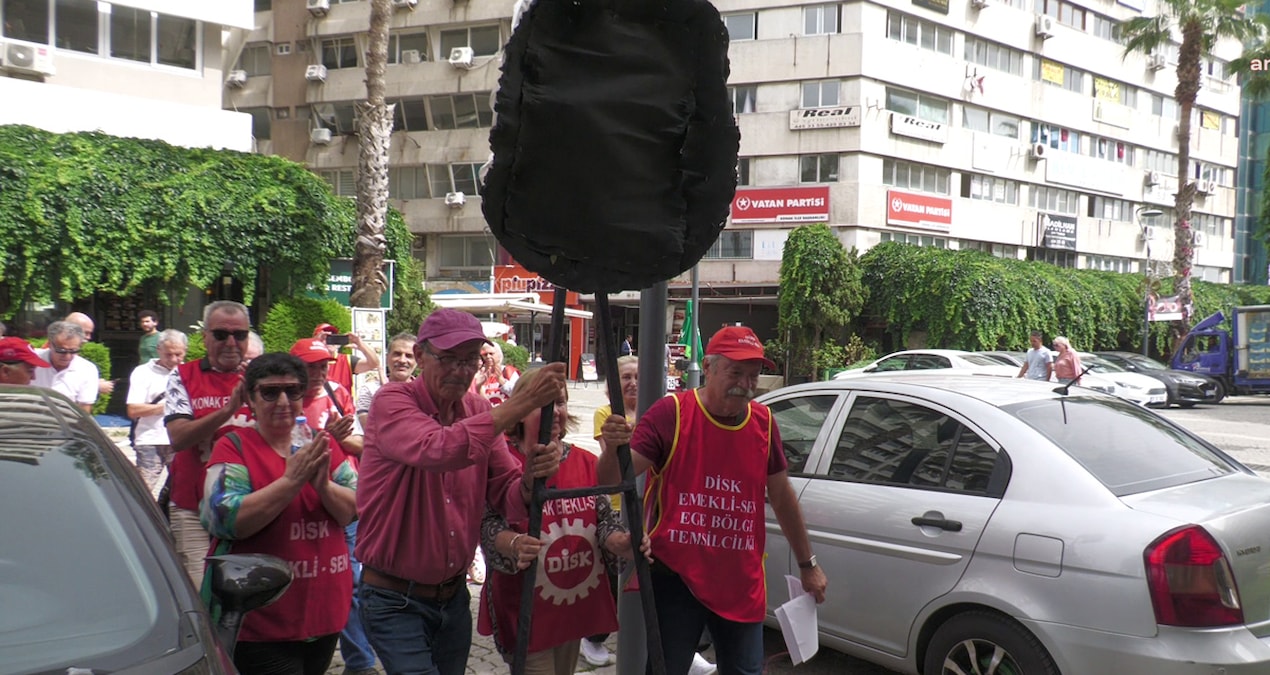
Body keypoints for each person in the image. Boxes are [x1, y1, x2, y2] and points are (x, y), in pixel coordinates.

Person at [599, 326, 828, 675]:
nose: (746, 384)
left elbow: (782, 497)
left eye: (753, 376)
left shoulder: (764, 424)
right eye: (735, 373)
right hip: (676, 579)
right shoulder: (671, 414)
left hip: (741, 582)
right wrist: (613, 450)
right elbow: (615, 480)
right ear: (707, 367)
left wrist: (808, 564)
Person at [355, 308, 569, 675]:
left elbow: (507, 494)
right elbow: (439, 448)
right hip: (393, 598)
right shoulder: (392, 401)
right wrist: (522, 403)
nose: (461, 369)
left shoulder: (478, 408)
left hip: (452, 598)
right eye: (449, 358)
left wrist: (532, 479)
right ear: (421, 356)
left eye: (470, 359)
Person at [477, 367, 647, 675]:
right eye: (545, 403)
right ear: (522, 409)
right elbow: (487, 525)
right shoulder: (502, 461)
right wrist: (513, 544)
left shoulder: (584, 460)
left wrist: (621, 542)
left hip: (571, 606)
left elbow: (603, 519)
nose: (556, 412)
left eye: (561, 402)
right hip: (524, 608)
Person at [201, 353, 358, 675]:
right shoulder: (234, 446)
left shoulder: (321, 443)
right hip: (260, 619)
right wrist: (291, 481)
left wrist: (324, 487)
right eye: (270, 392)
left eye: (293, 390)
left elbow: (354, 510)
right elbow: (225, 519)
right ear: (250, 398)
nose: (283, 401)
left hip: (324, 612)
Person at [290, 337, 376, 675]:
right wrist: (321, 436)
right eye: (311, 365)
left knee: (351, 583)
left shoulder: (337, 393)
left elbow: (362, 445)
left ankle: (360, 662)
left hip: (341, 497)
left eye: (323, 364)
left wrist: (338, 439)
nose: (318, 372)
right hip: (296, 503)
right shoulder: (283, 395)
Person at [164, 301, 254, 584]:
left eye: (239, 335)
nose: (231, 342)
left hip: (248, 506)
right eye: (220, 334)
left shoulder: (259, 378)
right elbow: (178, 438)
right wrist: (228, 411)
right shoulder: (182, 376)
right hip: (193, 509)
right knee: (203, 588)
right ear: (204, 337)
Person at [581, 354, 640, 668]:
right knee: (613, 579)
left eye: (637, 377)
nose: (632, 383)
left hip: (649, 502)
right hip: (616, 507)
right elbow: (614, 459)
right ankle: (592, 637)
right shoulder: (606, 413)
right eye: (626, 378)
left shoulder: (653, 411)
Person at [127, 329, 187, 497]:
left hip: (179, 440)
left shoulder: (189, 373)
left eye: (179, 354)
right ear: (158, 350)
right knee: (142, 492)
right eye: (168, 354)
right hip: (150, 440)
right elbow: (133, 410)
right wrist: (167, 406)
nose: (174, 359)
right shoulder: (143, 372)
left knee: (180, 490)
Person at [33, 321, 99, 413]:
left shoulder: (88, 370)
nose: (67, 356)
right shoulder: (32, 360)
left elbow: (84, 408)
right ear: (49, 344)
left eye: (73, 351)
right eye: (61, 351)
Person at [356, 332, 417, 429]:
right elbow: (370, 431)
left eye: (409, 356)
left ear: (418, 360)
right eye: (397, 354)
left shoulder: (425, 392)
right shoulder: (370, 390)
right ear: (387, 357)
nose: (402, 360)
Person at [314, 323, 381, 394]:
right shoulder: (309, 362)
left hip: (342, 404)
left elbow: (374, 364)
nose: (330, 341)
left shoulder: (346, 360)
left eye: (334, 337)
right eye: (326, 337)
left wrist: (360, 343)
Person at [64, 311, 115, 397]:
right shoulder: (47, 353)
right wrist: (95, 385)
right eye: (86, 333)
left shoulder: (86, 365)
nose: (89, 337)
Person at [473, 341, 519, 407]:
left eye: (491, 354)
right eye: (485, 354)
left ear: (499, 354)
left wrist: (502, 381)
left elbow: (520, 394)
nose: (488, 356)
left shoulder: (508, 371)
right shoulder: (479, 374)